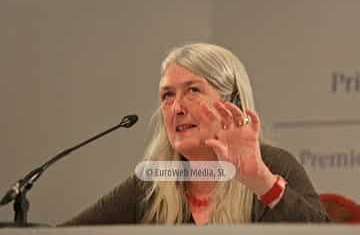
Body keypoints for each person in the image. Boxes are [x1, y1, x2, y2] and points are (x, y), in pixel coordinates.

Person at [60, 43, 329, 225]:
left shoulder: (273, 165)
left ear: (231, 103)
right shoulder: (152, 182)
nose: (177, 107)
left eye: (193, 91)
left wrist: (262, 182)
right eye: (167, 95)